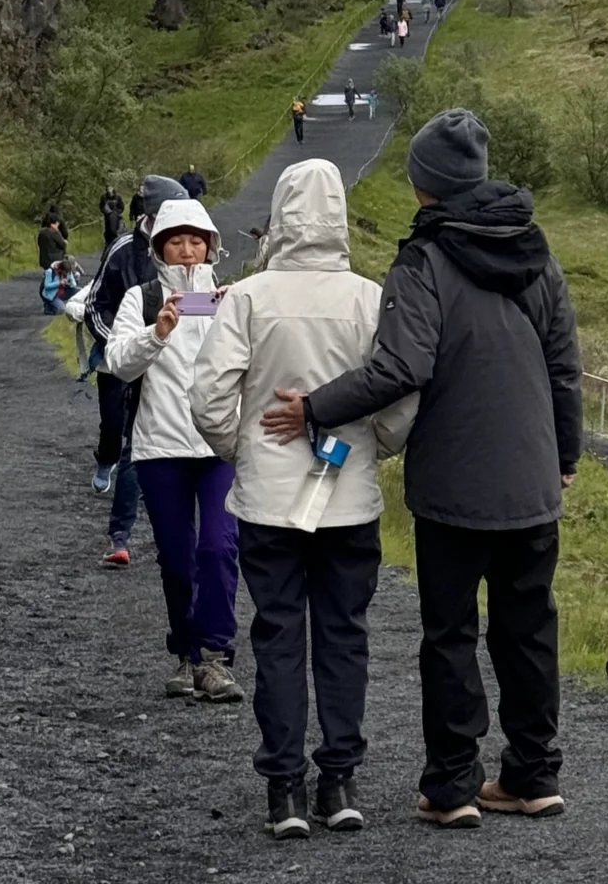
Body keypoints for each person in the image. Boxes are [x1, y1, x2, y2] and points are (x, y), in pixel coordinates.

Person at [271, 109, 581, 829]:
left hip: (452, 484)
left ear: (424, 186)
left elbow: (400, 367)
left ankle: (451, 786)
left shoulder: (424, 260)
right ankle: (534, 776)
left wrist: (313, 407)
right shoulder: (537, 252)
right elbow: (565, 365)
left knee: (450, 633)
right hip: (533, 478)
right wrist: (564, 453)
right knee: (528, 628)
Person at [192, 160, 417, 839]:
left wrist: (246, 451)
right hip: (348, 500)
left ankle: (284, 790)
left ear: (282, 215)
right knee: (344, 637)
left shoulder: (249, 298)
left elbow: (207, 400)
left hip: (268, 503)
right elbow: (399, 395)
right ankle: (340, 781)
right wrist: (374, 445)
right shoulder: (368, 299)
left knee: (279, 635)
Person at [107, 195, 242, 704]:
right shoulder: (141, 299)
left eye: (196, 241)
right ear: (161, 248)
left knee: (219, 546)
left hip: (220, 444)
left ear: (210, 246)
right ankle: (186, 654)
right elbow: (118, 362)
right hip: (160, 445)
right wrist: (156, 333)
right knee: (177, 559)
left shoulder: (231, 299)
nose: (187, 252)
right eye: (177, 242)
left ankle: (215, 655)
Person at [86, 178, 181, 559]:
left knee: (137, 442)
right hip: (119, 359)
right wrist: (120, 345)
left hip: (166, 365)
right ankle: (103, 461)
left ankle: (125, 535)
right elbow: (96, 302)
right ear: (149, 215)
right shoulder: (123, 249)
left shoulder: (189, 250)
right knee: (114, 430)